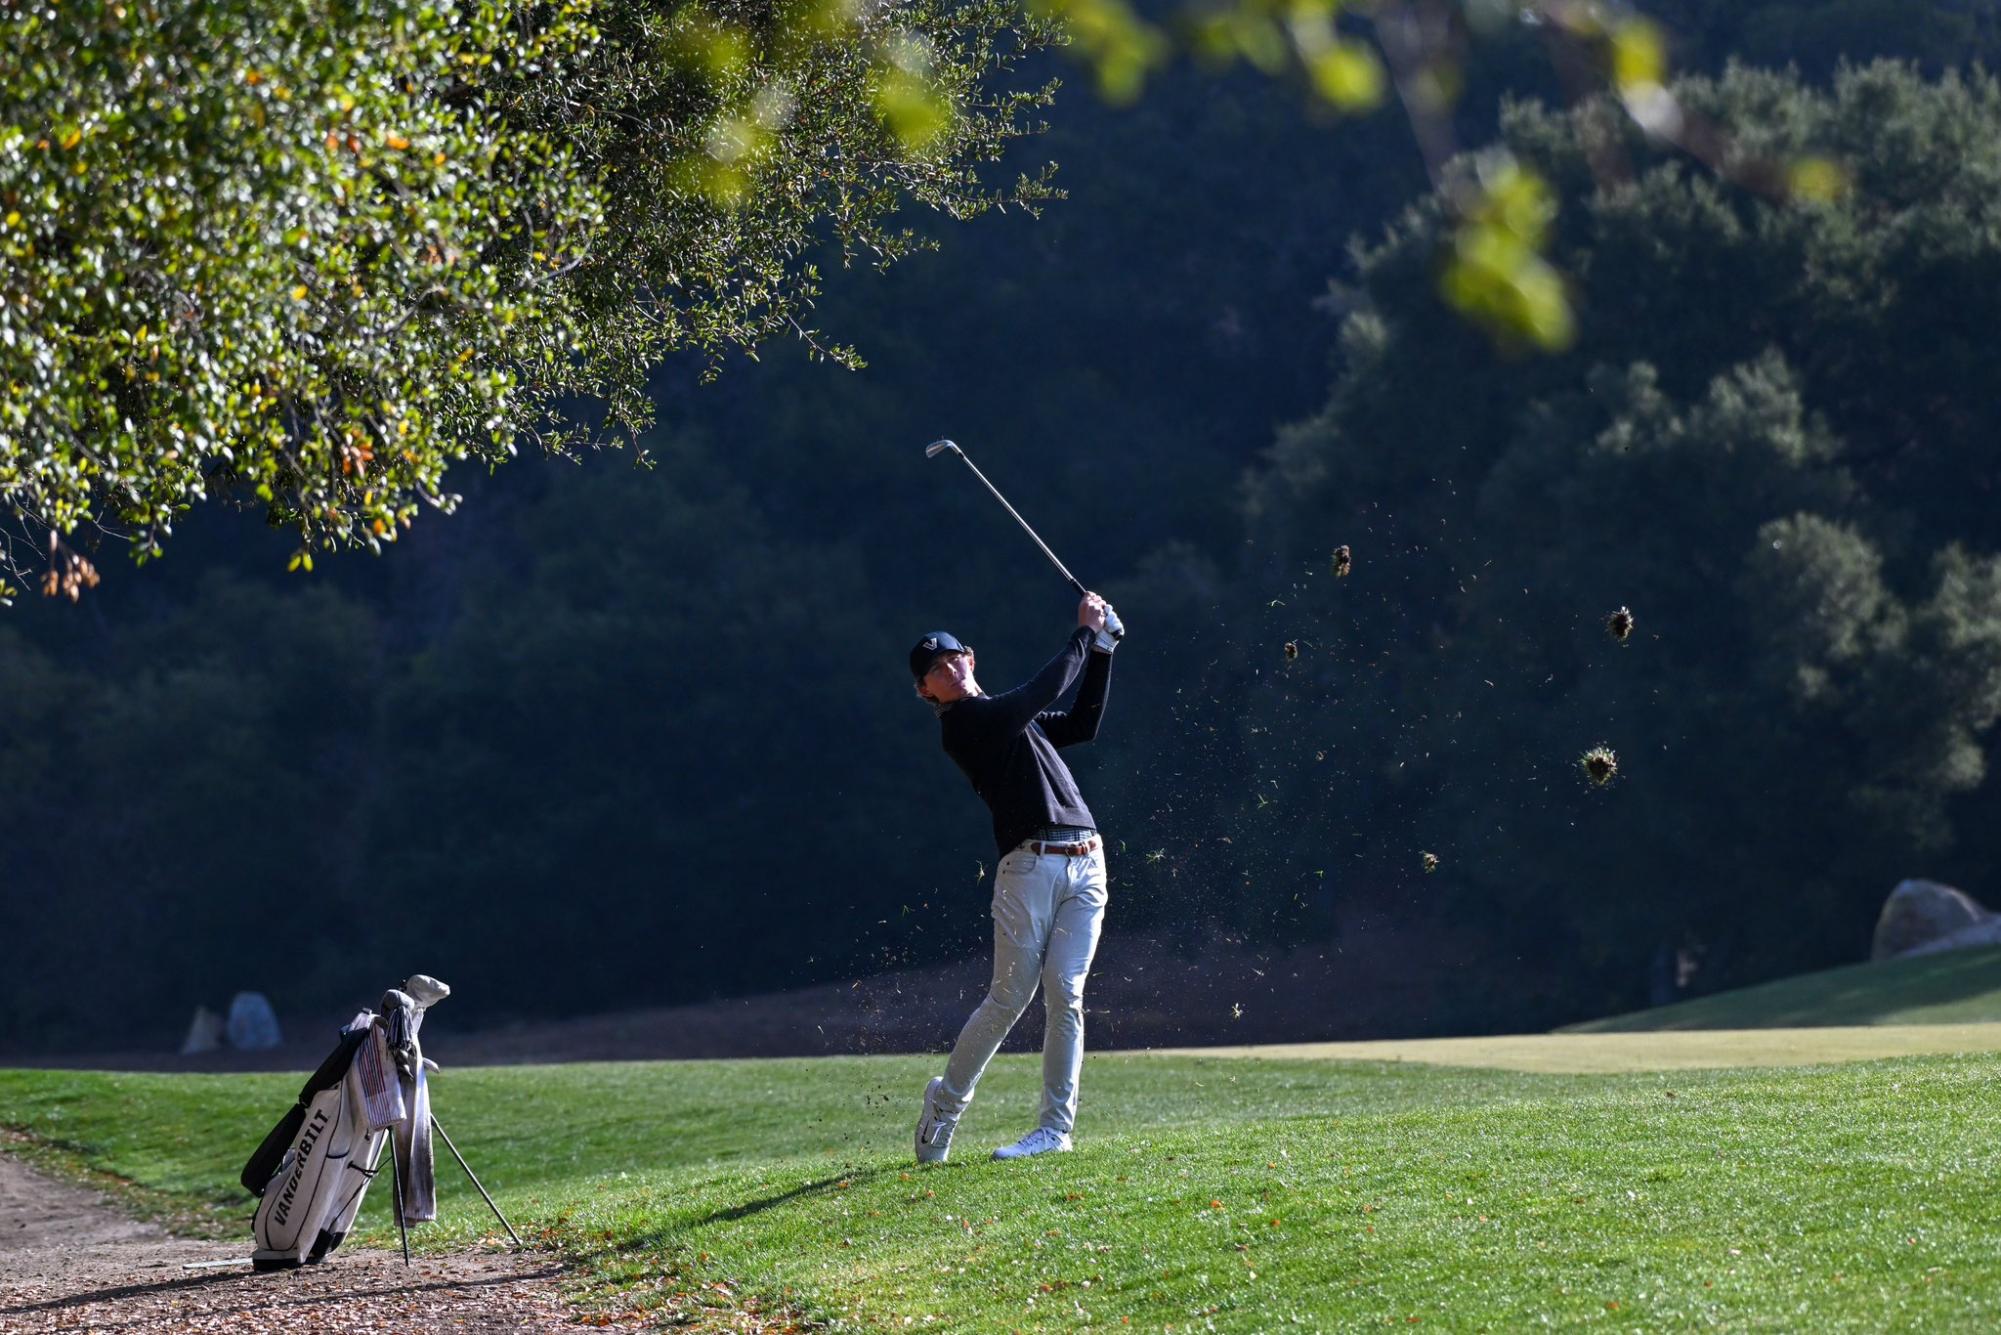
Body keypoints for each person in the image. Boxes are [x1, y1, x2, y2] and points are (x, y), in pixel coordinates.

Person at [909, 593, 1120, 1162]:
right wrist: (1083, 635)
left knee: (1067, 995)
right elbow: (1039, 693)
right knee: (1009, 998)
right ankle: (945, 1107)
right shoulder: (965, 727)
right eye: (935, 670)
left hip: (1087, 860)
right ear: (927, 691)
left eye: (953, 658)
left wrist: (1103, 650)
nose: (947, 668)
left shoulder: (1013, 721)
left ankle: (1055, 1130)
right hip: (1027, 866)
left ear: (970, 659)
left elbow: (1082, 722)